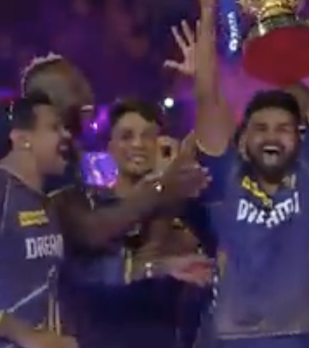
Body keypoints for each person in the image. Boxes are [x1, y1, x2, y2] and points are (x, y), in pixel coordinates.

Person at [180, 0, 309, 348]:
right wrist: (208, 8)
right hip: (231, 341)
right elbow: (208, 96)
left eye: (283, 128)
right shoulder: (224, 178)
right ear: (243, 140)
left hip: (306, 339)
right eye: (261, 128)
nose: (272, 136)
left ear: (299, 138)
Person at [60, 98, 213, 348]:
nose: (138, 144)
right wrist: (161, 187)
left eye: (148, 136)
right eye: (126, 136)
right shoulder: (92, 206)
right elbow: (89, 275)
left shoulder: (184, 206)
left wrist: (167, 188)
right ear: (110, 146)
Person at [18, 54, 211, 252]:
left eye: (147, 136)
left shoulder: (82, 173)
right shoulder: (45, 165)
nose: (88, 93)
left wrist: (203, 92)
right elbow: (91, 231)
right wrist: (161, 187)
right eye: (76, 87)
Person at [0, 93, 76, 348]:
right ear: (22, 139)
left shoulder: (44, 200)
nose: (66, 135)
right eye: (54, 127)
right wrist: (23, 334)